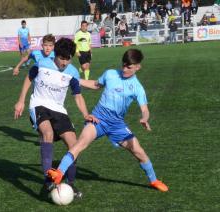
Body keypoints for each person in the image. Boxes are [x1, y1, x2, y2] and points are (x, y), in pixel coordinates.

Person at [47, 49, 169, 193]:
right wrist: (75, 80)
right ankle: (59, 172)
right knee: (80, 143)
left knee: (139, 152)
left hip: (117, 125)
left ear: (138, 67)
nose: (124, 69)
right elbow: (95, 84)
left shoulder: (138, 88)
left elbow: (145, 109)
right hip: (98, 118)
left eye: (129, 67)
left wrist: (145, 118)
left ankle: (154, 180)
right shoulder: (111, 74)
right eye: (123, 65)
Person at [14, 38, 98, 197]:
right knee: (48, 133)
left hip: (59, 109)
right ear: (55, 55)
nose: (64, 62)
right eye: (62, 58)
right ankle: (48, 182)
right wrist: (21, 101)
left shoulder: (72, 72)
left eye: (68, 59)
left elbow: (78, 96)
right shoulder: (42, 64)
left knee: (74, 144)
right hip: (38, 104)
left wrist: (86, 114)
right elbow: (29, 78)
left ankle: (71, 184)